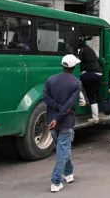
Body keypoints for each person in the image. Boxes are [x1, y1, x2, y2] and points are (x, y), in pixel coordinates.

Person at [42, 54, 82, 193]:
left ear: (62, 65)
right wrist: (60, 114)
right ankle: (56, 181)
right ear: (74, 67)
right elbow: (69, 104)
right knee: (62, 150)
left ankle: (69, 172)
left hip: (51, 120)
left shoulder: (50, 79)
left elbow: (45, 97)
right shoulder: (76, 83)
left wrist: (56, 112)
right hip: (65, 120)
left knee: (62, 149)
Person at [78, 38, 103, 124]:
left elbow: (79, 61)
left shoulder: (81, 49)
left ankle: (82, 100)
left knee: (73, 81)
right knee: (92, 96)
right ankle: (95, 117)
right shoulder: (89, 49)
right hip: (98, 74)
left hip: (89, 73)